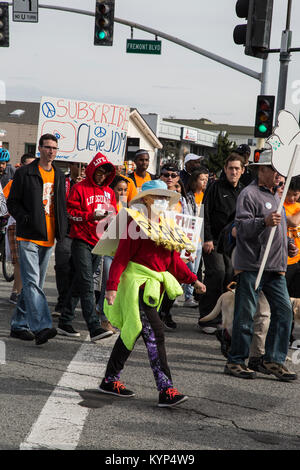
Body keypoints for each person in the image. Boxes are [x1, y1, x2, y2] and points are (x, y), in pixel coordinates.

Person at [98, 179, 206, 407]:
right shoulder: (134, 224)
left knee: (133, 331)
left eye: (166, 198)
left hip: (152, 287)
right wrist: (111, 287)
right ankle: (165, 389)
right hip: (136, 285)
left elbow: (173, 261)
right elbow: (120, 257)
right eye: (159, 197)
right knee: (156, 332)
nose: (163, 202)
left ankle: (109, 379)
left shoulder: (166, 226)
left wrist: (194, 280)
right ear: (145, 199)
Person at [225, 147, 297, 381]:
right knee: (246, 314)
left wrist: (288, 244)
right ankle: (236, 360)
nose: (278, 174)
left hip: (275, 268)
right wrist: (263, 221)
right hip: (252, 264)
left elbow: (279, 230)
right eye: (274, 169)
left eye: (279, 170)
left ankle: (273, 359)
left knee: (284, 311)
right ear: (261, 171)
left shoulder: (276, 195)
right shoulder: (249, 194)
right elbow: (241, 228)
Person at [7, 134, 68, 345]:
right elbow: (12, 202)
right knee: (33, 282)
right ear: (39, 149)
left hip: (49, 237)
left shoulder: (59, 175)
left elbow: (61, 206)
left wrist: (62, 231)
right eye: (48, 147)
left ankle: (18, 324)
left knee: (35, 284)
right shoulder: (25, 173)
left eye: (54, 148)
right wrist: (25, 218)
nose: (51, 151)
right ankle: (42, 326)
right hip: (28, 236)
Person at [57, 152, 117, 341]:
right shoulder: (79, 188)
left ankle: (64, 320)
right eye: (98, 171)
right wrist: (90, 216)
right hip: (81, 240)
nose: (101, 176)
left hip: (99, 242)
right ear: (91, 169)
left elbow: (112, 214)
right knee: (86, 283)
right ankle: (93, 326)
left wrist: (112, 221)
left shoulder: (109, 192)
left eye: (105, 173)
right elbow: (70, 213)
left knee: (79, 282)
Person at [199, 153, 244, 334]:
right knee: (216, 273)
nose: (233, 171)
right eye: (230, 168)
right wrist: (207, 238)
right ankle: (206, 319)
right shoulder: (214, 187)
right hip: (214, 241)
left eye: (237, 168)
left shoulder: (244, 191)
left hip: (233, 244)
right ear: (225, 169)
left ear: (242, 171)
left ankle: (225, 320)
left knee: (229, 277)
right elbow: (205, 213)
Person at [53, 162, 87, 317]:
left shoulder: (89, 185)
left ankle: (69, 305)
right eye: (79, 165)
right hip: (65, 232)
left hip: (82, 233)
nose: (82, 168)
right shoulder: (62, 181)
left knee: (77, 270)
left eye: (86, 166)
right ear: (71, 165)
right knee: (62, 266)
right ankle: (62, 301)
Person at [2, 153, 36, 304]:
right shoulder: (13, 183)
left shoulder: (38, 183)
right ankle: (17, 292)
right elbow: (5, 206)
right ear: (21, 166)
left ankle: (21, 291)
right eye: (28, 165)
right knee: (19, 261)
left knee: (29, 261)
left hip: (34, 226)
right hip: (16, 224)